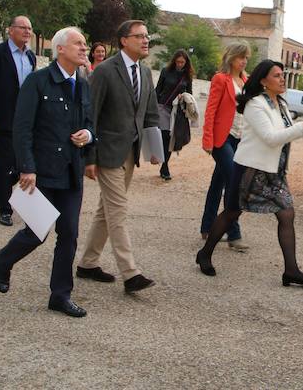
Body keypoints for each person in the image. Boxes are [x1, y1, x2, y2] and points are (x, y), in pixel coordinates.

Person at [195, 60, 303, 285]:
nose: (282, 79)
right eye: (276, 75)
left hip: (273, 172)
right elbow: (270, 138)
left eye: (282, 74)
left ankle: (291, 270)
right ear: (263, 81)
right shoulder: (255, 105)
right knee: (231, 213)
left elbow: (285, 132)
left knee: (287, 214)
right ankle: (205, 254)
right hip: (250, 169)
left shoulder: (281, 104)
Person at [0, 27, 94, 318]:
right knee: (37, 231)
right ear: (60, 48)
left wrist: (88, 134)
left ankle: (60, 295)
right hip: (43, 170)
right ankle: (4, 259)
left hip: (71, 171)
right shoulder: (38, 82)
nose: (84, 48)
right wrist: (27, 167)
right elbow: (22, 128)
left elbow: (90, 123)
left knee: (69, 234)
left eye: (85, 44)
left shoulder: (83, 85)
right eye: (78, 43)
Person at [76, 20, 159, 294]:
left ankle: (88, 263)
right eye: (140, 36)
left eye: (147, 37)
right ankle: (130, 272)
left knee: (106, 211)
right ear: (124, 40)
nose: (145, 41)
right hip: (106, 152)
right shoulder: (105, 71)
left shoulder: (146, 73)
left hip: (130, 153)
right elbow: (91, 115)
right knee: (118, 210)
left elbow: (149, 114)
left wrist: (155, 150)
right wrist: (90, 158)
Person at [0, 16, 36, 226]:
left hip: (24, 120)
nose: (27, 31)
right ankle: (5, 208)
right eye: (23, 28)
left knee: (22, 164)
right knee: (3, 164)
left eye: (30, 28)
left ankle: (0, 184)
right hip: (1, 120)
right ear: (11, 30)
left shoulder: (30, 57)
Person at [200, 43, 250, 250]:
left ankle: (207, 227)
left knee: (218, 183)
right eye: (241, 57)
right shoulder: (220, 79)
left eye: (246, 57)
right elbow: (211, 110)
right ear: (231, 57)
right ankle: (233, 233)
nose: (244, 61)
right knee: (234, 181)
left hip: (241, 138)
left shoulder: (246, 81)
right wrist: (207, 140)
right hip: (223, 139)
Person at [154, 49, 194, 181]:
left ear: (186, 62)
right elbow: (158, 89)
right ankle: (164, 166)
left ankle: (164, 166)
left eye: (182, 62)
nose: (180, 64)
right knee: (165, 136)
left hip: (177, 111)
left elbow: (190, 94)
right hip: (163, 107)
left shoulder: (187, 76)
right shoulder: (166, 71)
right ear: (174, 61)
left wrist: (184, 96)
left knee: (172, 139)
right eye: (178, 62)